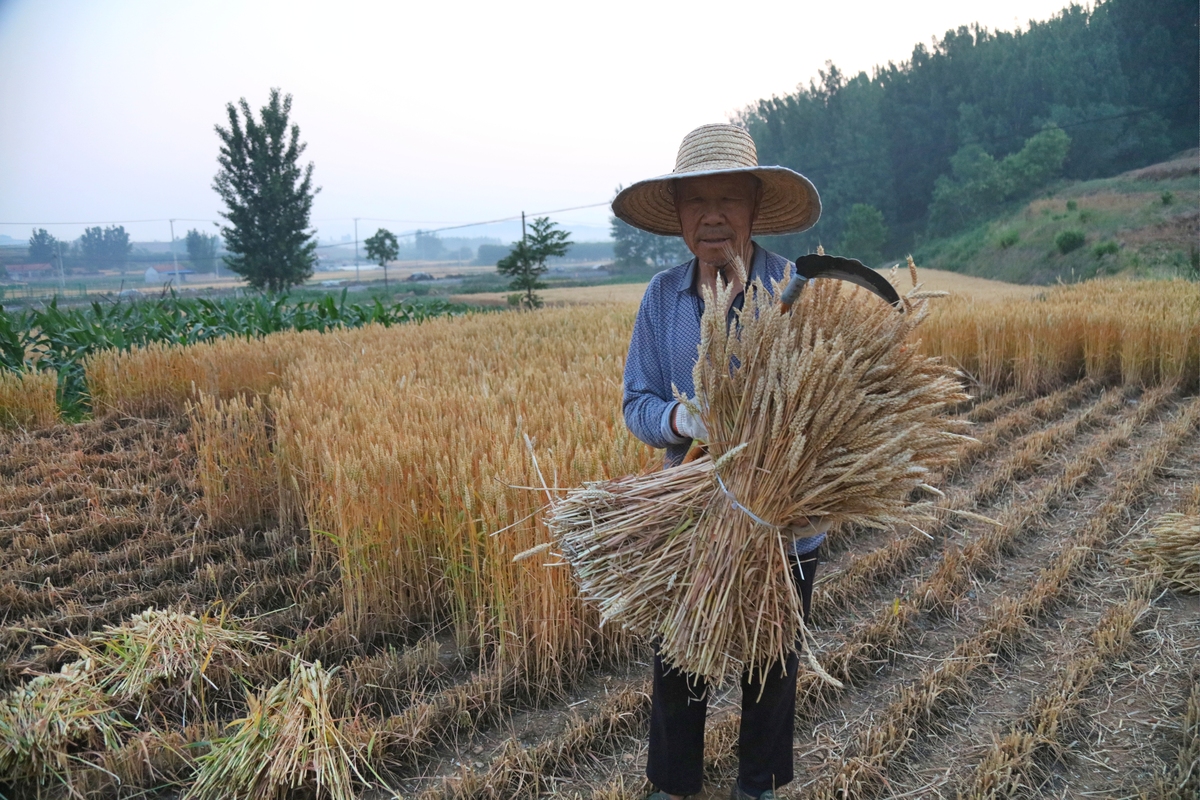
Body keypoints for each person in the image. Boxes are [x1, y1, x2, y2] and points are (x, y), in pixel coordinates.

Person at [614, 123, 829, 800]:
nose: (712, 215)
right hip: (690, 512)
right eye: (695, 201)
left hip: (782, 521)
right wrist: (681, 418)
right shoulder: (659, 298)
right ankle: (673, 785)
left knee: (771, 657)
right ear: (678, 217)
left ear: (754, 209)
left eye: (728, 198)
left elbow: (828, 408)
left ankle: (757, 785)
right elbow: (635, 402)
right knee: (681, 654)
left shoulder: (794, 291)